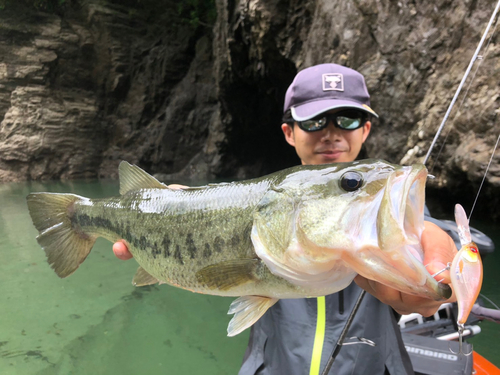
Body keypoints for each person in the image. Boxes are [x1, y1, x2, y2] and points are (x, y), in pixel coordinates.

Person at [112, 64, 457, 374]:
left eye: (348, 119)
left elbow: (433, 238)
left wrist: (445, 270)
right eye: (314, 120)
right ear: (289, 132)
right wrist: (177, 211)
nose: (331, 133)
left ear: (365, 130)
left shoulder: (386, 216)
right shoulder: (267, 203)